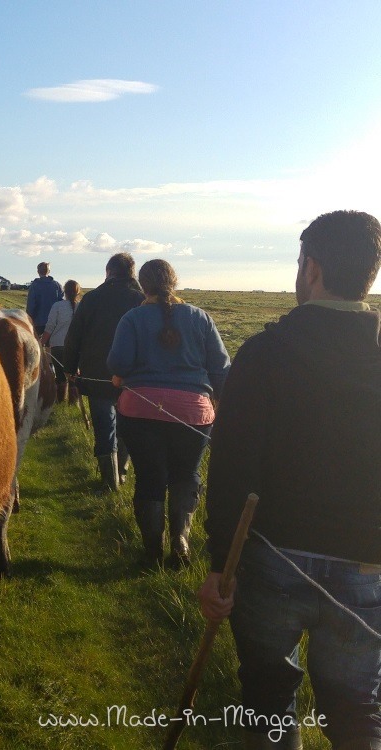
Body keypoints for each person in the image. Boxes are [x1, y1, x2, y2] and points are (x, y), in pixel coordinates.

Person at [199, 210, 381, 750]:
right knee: (357, 711)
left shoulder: (264, 352)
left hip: (269, 557)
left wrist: (217, 565)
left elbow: (230, 468)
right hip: (368, 568)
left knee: (268, 701)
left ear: (312, 268)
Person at [107, 259, 230, 569]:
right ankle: (181, 541)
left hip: (140, 409)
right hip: (193, 413)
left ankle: (151, 552)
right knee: (185, 474)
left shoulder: (132, 319)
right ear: (175, 282)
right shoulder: (200, 318)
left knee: (149, 478)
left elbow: (118, 364)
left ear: (142, 285)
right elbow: (222, 370)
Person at [64, 253, 144, 490]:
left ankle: (110, 482)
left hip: (97, 372)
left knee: (104, 425)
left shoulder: (92, 299)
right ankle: (121, 472)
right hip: (132, 376)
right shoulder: (140, 299)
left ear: (108, 272)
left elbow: (74, 336)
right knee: (127, 424)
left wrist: (69, 368)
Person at [43, 280, 81, 404]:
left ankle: (60, 403)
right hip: (76, 348)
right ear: (78, 292)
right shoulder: (82, 307)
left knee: (60, 377)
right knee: (73, 377)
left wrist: (42, 342)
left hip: (58, 346)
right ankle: (73, 405)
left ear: (64, 291)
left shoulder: (57, 306)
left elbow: (50, 327)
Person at [26, 261, 64, 337]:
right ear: (49, 271)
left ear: (38, 271)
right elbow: (62, 303)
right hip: (54, 322)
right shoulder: (57, 285)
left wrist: (29, 318)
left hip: (38, 322)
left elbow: (31, 305)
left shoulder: (34, 285)